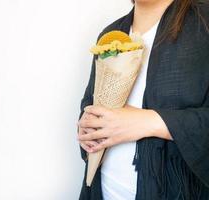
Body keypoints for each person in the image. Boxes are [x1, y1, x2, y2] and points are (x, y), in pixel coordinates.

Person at [77, 0, 209, 199]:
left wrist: (151, 122)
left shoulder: (203, 20)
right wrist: (87, 127)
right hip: (100, 191)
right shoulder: (111, 35)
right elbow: (90, 103)